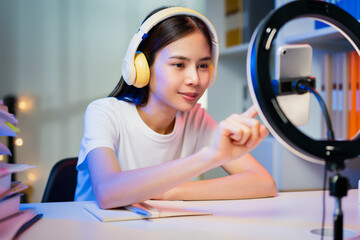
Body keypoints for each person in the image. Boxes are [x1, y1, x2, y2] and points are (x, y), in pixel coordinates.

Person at [74, 6, 277, 209]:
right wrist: (210, 156)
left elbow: (263, 183)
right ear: (141, 67)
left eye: (203, 65)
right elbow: (107, 192)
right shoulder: (104, 113)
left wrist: (173, 191)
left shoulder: (196, 119)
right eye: (179, 65)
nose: (195, 79)